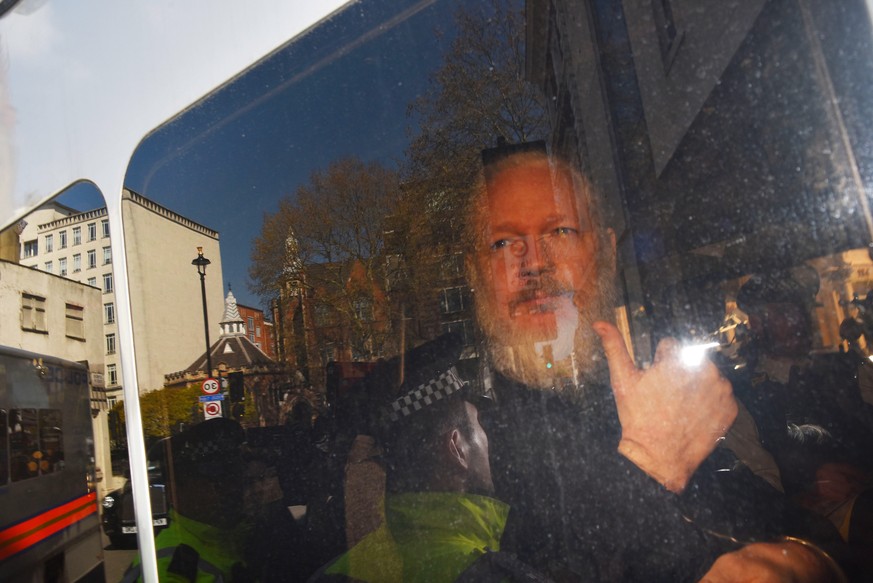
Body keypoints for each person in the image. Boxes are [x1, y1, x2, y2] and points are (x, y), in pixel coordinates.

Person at [464, 147, 847, 581]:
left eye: (560, 232)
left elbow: (762, 515)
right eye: (502, 242)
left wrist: (808, 558)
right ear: (474, 272)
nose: (533, 262)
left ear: (606, 251)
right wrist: (647, 463)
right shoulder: (448, 434)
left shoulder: (622, 392)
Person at [310, 334, 550, 583]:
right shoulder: (494, 576)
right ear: (457, 448)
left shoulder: (333, 573)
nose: (488, 436)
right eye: (479, 423)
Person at [122, 418, 252, 583]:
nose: (229, 489)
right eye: (213, 481)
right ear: (174, 491)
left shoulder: (233, 536)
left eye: (232, 478)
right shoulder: (169, 568)